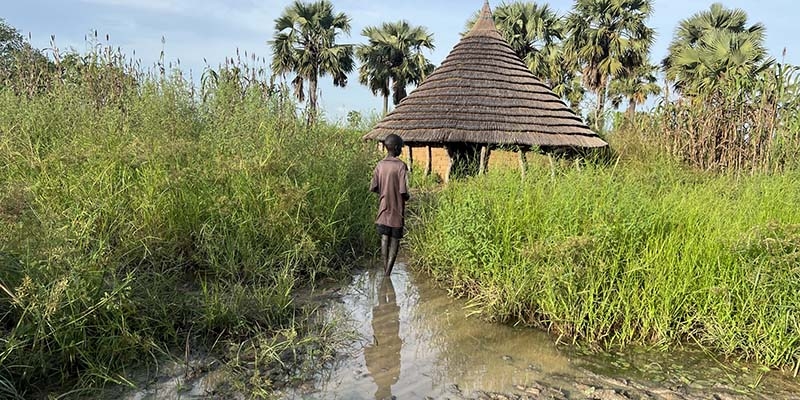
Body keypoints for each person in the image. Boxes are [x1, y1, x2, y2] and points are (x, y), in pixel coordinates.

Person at [370, 134, 409, 275]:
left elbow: (374, 187)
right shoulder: (401, 166)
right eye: (401, 148)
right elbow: (403, 191)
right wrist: (407, 197)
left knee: (384, 237)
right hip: (397, 210)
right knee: (395, 240)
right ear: (397, 148)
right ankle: (388, 272)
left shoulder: (380, 165)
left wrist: (384, 192)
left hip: (383, 209)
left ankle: (385, 268)